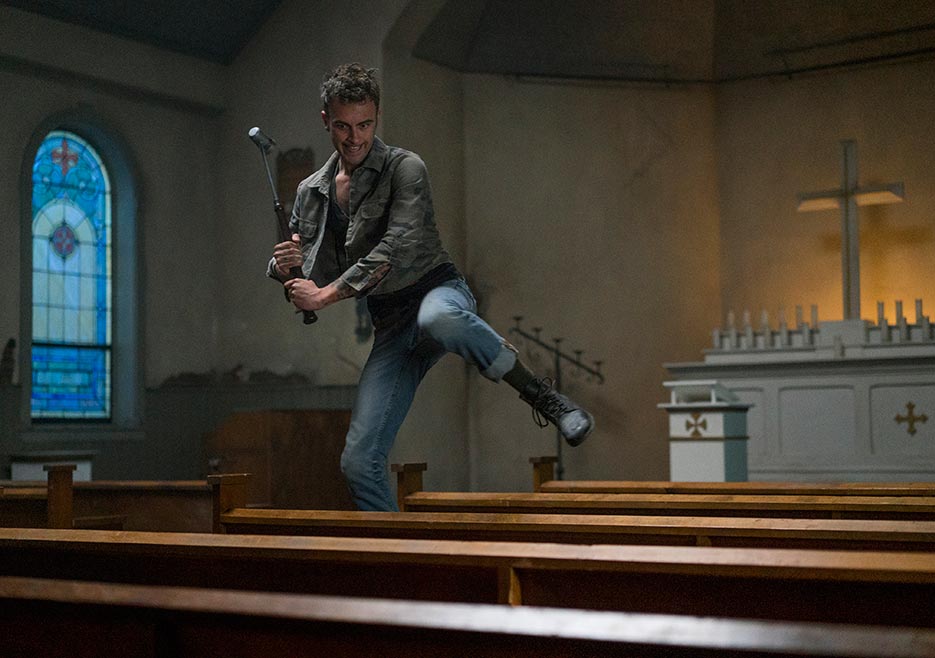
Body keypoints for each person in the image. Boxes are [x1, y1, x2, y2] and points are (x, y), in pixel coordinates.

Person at [269, 63, 593, 511]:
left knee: (439, 317)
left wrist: (323, 296)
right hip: (391, 325)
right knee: (358, 463)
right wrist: (285, 268)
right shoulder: (311, 190)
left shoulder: (406, 168)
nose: (355, 138)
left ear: (377, 117)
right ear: (326, 119)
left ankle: (546, 398)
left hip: (438, 291)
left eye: (364, 125)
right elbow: (309, 265)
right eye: (343, 126)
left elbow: (395, 248)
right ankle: (395, 552)